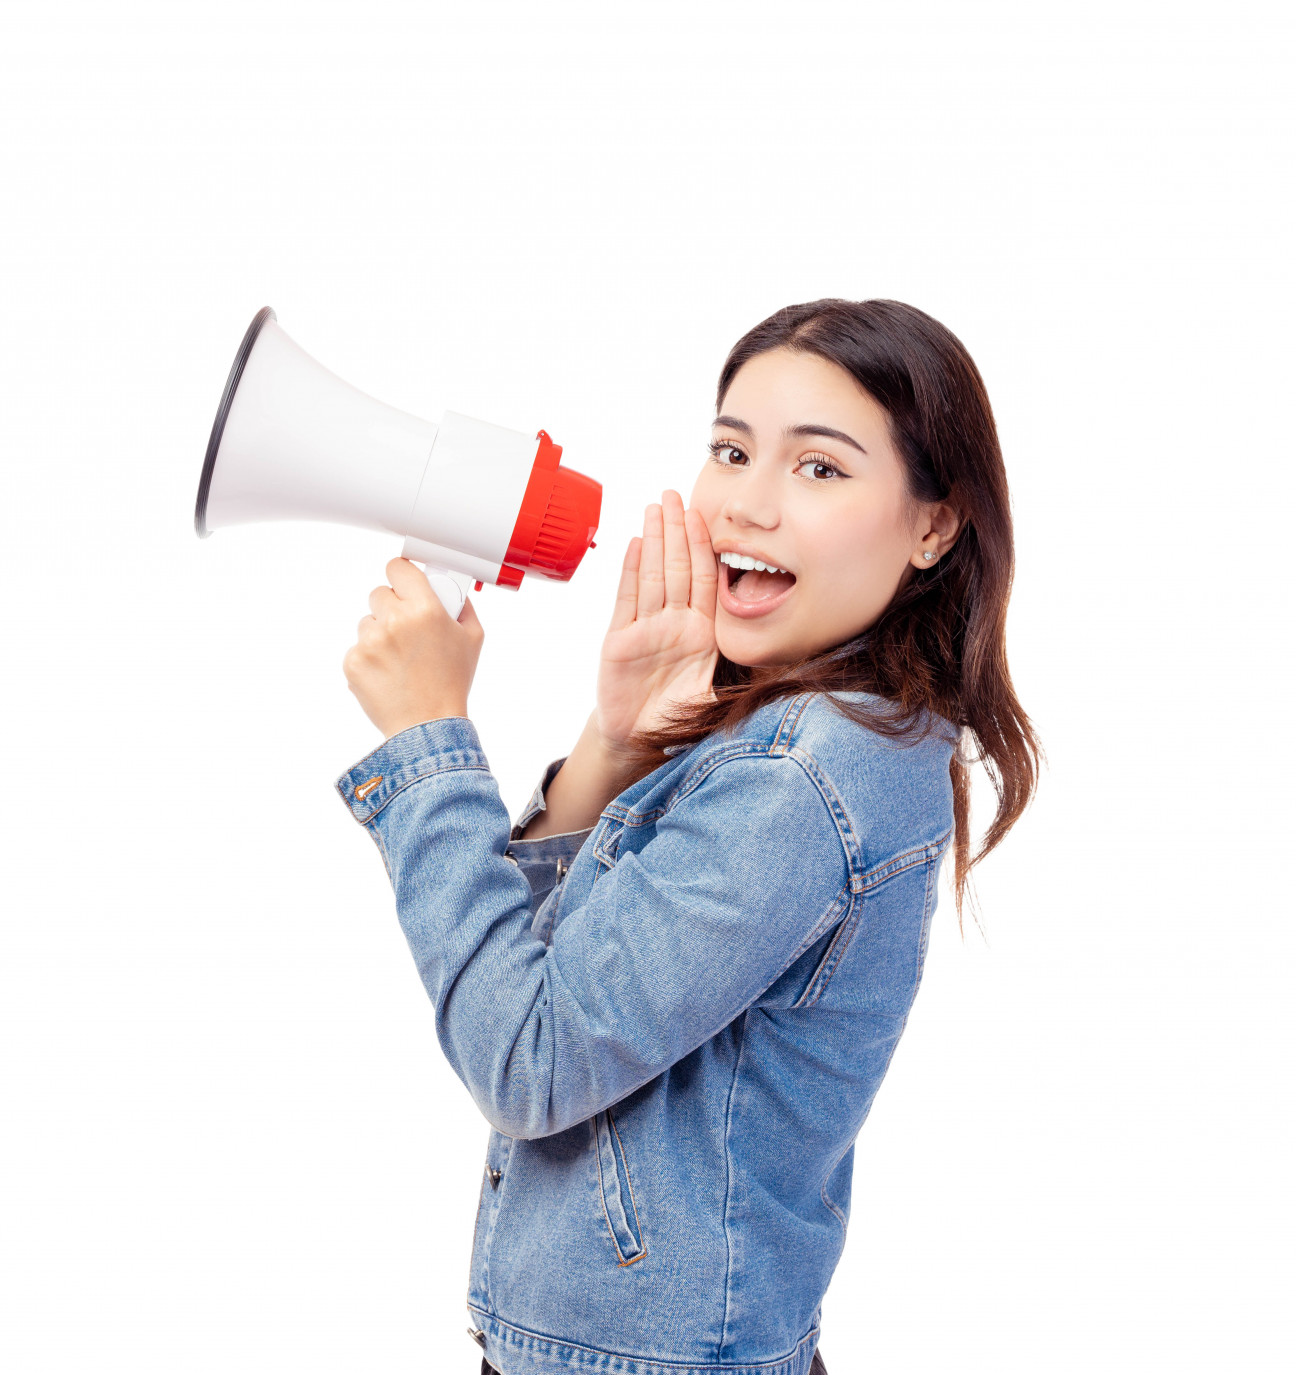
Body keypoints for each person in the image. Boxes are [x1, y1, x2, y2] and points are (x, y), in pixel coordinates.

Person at [331, 299, 1037, 1375]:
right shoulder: (843, 735)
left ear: (935, 525)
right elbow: (556, 979)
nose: (747, 504)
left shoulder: (800, 776)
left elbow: (528, 1059)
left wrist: (430, 749)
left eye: (820, 469)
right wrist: (612, 746)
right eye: (730, 449)